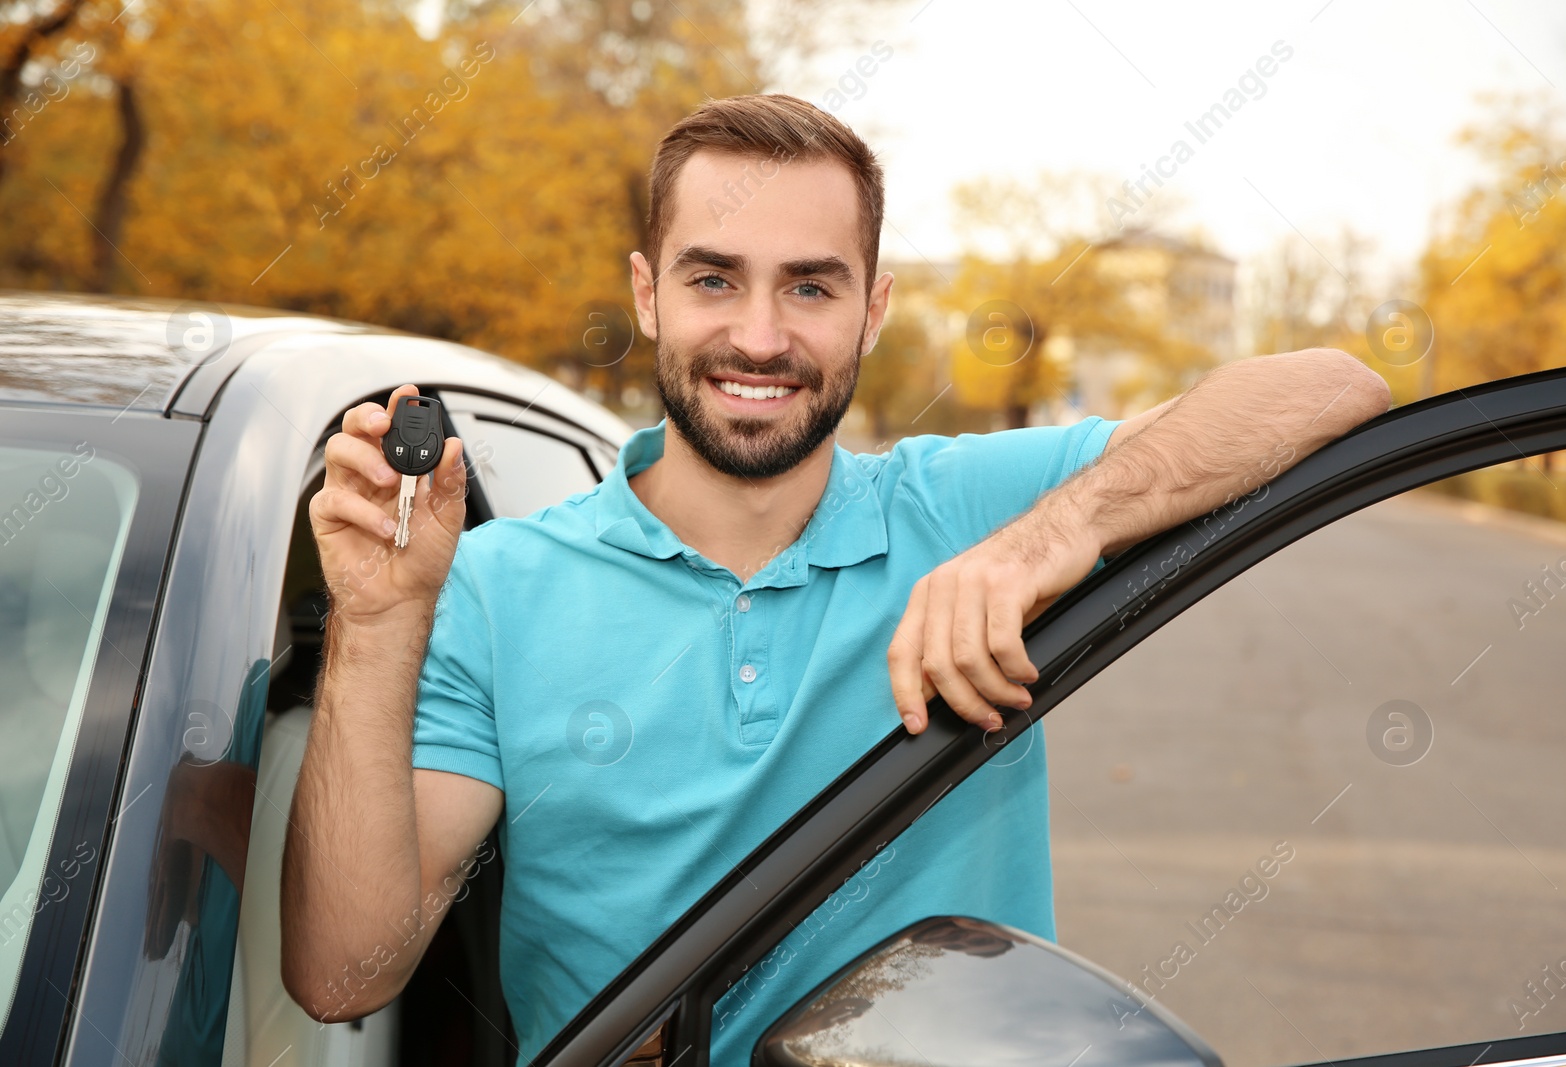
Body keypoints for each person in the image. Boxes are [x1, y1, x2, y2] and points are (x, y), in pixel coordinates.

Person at [281, 92, 1390, 1064]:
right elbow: (344, 974)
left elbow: (1332, 388)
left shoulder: (963, 507)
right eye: (714, 278)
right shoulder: (489, 587)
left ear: (873, 307)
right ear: (647, 294)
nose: (759, 337)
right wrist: (378, 623)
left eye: (810, 288)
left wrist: (1044, 540)